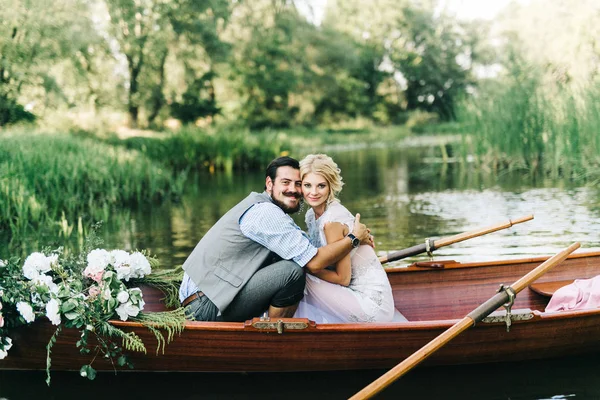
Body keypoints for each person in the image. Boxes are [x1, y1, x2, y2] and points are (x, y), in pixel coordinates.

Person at [179, 156, 371, 322]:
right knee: (292, 272)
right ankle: (272, 337)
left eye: (298, 184)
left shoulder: (261, 205)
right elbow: (313, 262)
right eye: (285, 183)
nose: (293, 190)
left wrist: (347, 239)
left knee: (290, 260)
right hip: (204, 307)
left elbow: (307, 247)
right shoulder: (266, 213)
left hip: (204, 298)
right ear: (270, 184)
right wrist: (353, 238)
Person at [294, 154, 396, 323]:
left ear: (330, 187)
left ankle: (285, 330)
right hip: (351, 291)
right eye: (307, 185)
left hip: (370, 304)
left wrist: (308, 268)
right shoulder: (312, 215)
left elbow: (343, 278)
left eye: (321, 186)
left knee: (298, 275)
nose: (313, 192)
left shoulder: (332, 220)